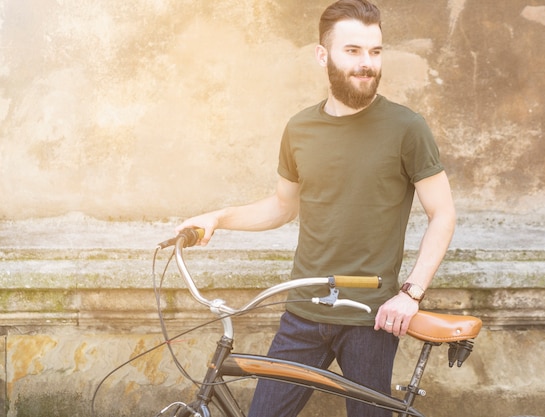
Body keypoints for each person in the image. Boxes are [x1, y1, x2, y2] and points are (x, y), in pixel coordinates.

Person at [175, 1, 456, 416]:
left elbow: (443, 213)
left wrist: (410, 294)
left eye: (375, 52)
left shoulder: (406, 127)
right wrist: (218, 218)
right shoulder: (300, 128)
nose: (367, 64)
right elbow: (281, 207)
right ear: (323, 55)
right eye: (353, 51)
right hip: (303, 312)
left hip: (369, 319)